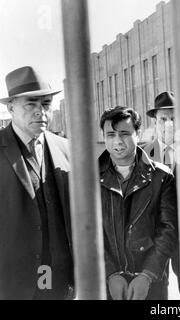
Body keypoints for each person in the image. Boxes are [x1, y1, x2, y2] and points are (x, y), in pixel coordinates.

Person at [0, 66, 74, 299]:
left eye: (45, 104)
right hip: (12, 283)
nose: (40, 112)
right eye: (30, 104)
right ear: (11, 107)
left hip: (61, 281)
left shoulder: (67, 148)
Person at [98, 106, 178, 300]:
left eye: (125, 133)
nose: (117, 141)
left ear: (138, 133)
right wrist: (110, 274)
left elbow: (169, 229)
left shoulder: (162, 177)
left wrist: (146, 275)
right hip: (106, 285)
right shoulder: (88, 178)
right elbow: (87, 233)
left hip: (151, 284)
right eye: (110, 134)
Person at [144, 92, 176, 170]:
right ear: (155, 122)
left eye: (173, 119)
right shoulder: (143, 154)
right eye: (163, 119)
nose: (169, 124)